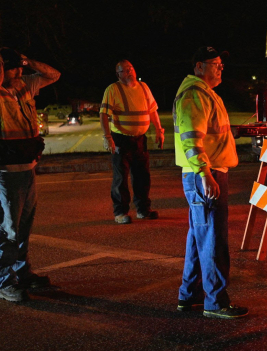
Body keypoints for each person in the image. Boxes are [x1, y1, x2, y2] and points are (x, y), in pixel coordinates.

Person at [0, 47, 60, 302]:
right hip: (1, 170)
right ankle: (4, 282)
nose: (19, 71)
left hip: (25, 167)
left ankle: (22, 274)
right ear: (0, 67)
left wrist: (27, 60)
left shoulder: (24, 86)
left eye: (20, 66)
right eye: (14, 67)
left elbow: (53, 75)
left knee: (22, 228)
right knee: (5, 229)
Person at [174, 46, 247, 319]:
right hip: (206, 174)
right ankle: (215, 302)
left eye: (220, 63)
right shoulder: (195, 95)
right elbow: (191, 139)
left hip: (205, 172)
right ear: (198, 67)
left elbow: (208, 134)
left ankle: (189, 295)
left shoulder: (204, 94)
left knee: (199, 237)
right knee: (213, 240)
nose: (220, 67)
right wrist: (204, 174)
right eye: (214, 63)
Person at [100, 60, 165, 224]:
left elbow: (152, 110)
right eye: (124, 70)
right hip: (121, 140)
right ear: (118, 74)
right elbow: (103, 115)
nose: (129, 72)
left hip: (140, 139)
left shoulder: (144, 87)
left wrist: (159, 130)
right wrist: (107, 137)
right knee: (121, 178)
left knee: (143, 176)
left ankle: (143, 210)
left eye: (131, 68)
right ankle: (120, 212)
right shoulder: (113, 89)